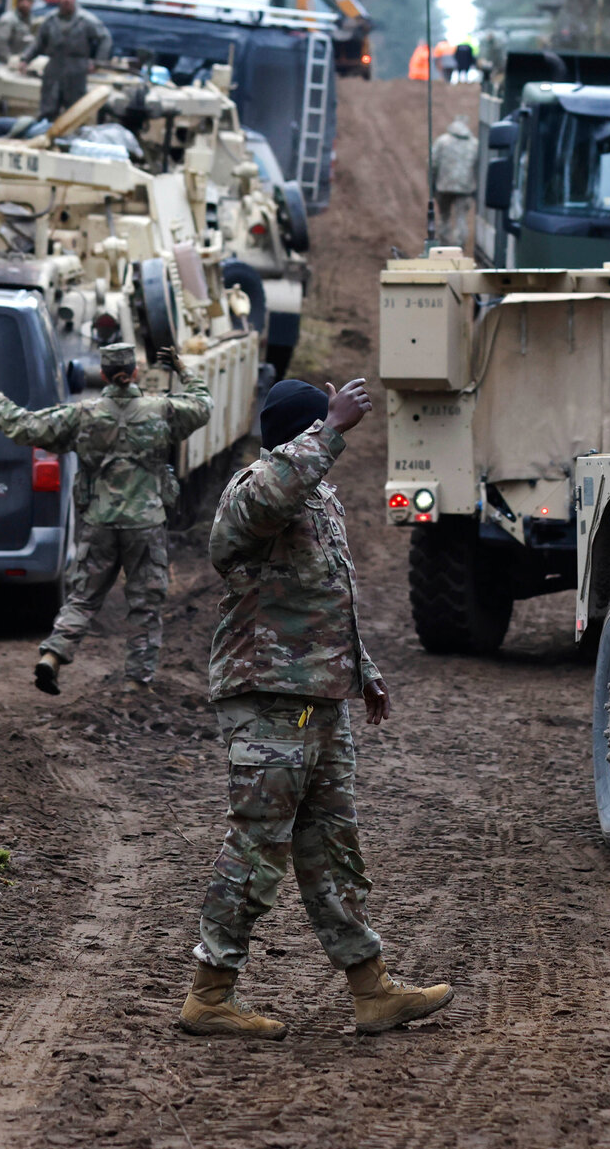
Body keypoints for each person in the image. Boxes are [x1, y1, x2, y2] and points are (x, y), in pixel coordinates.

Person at [179, 376, 454, 1042]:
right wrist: (330, 428)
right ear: (303, 432)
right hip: (271, 699)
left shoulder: (318, 496)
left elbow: (325, 596)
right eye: (320, 426)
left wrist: (364, 671)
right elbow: (273, 494)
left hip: (317, 699)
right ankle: (209, 994)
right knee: (257, 844)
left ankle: (371, 989)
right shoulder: (253, 489)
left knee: (332, 846)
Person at [0, 343, 211, 692]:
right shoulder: (162, 410)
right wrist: (183, 369)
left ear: (102, 375)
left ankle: (53, 655)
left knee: (83, 597)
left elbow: (27, 427)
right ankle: (137, 682)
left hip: (99, 522)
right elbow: (202, 405)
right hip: (145, 525)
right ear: (135, 373)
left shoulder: (82, 414)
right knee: (145, 604)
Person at [30, 0, 113, 120]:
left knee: (75, 113)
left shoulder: (86, 20)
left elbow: (105, 38)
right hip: (54, 68)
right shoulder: (50, 20)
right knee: (47, 111)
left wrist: (97, 62)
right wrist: (25, 59)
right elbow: (38, 43)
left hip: (76, 70)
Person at [430, 115, 480, 248]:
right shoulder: (474, 144)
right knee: (461, 218)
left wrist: (432, 183)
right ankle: (459, 246)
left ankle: (444, 244)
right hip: (465, 188)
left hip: (443, 186)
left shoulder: (442, 141)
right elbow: (478, 167)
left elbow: (433, 163)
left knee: (444, 216)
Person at [0, 0, 37, 66]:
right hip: (9, 64)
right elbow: (0, 43)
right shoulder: (8, 19)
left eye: (28, 0)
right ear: (17, 1)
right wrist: (9, 60)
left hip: (26, 64)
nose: (25, 3)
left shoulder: (33, 21)